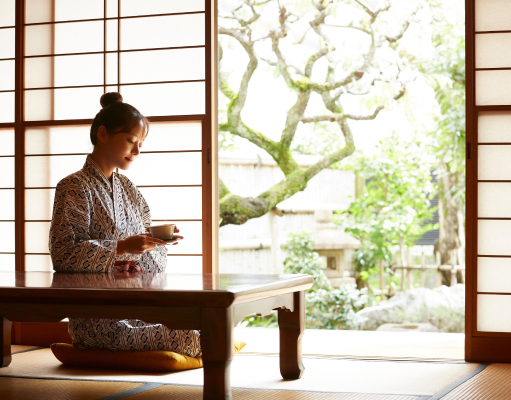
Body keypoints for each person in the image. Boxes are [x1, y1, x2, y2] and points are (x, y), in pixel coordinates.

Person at [49, 92, 202, 357]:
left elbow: (153, 264)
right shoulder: (73, 186)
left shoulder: (130, 190)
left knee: (207, 328)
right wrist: (119, 248)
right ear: (103, 134)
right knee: (195, 339)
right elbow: (63, 256)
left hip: (138, 310)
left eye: (141, 143)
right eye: (131, 141)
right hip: (99, 320)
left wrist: (156, 242)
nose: (137, 151)